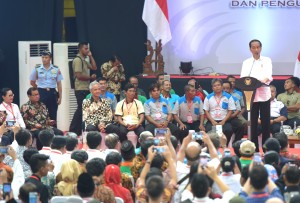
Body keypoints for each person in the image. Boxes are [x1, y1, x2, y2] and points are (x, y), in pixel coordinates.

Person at [240, 39, 273, 151]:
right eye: (253, 47)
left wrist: (259, 81)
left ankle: (266, 147)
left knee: (265, 122)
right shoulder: (246, 62)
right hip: (251, 95)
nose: (256, 49)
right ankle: (254, 148)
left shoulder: (267, 60)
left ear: (261, 48)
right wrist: (252, 82)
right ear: (250, 49)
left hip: (264, 94)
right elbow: (243, 77)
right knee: (252, 123)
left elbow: (268, 75)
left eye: (258, 47)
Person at [69, 42, 97, 136]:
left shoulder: (84, 59)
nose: (87, 50)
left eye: (88, 48)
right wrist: (90, 78)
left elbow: (94, 67)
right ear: (80, 49)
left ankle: (76, 130)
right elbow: (79, 75)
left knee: (83, 109)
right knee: (80, 109)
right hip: (80, 88)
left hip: (85, 88)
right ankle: (72, 130)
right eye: (86, 49)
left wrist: (91, 56)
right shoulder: (78, 60)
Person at [29, 50, 63, 122]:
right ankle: (42, 131)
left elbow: (59, 84)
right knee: (41, 112)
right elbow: (32, 82)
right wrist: (38, 88)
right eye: (43, 57)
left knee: (53, 113)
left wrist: (60, 96)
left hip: (52, 92)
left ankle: (54, 131)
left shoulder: (55, 68)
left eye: (46, 57)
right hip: (41, 92)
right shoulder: (37, 68)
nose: (44, 59)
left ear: (50, 58)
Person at [203, 79, 235, 144]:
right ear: (212, 88)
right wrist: (212, 121)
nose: (217, 87)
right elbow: (206, 110)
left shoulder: (228, 97)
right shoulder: (208, 97)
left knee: (229, 130)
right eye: (215, 86)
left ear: (222, 86)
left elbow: (230, 110)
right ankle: (212, 146)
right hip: (212, 121)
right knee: (208, 130)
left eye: (218, 85)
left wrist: (224, 121)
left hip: (224, 121)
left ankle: (225, 144)